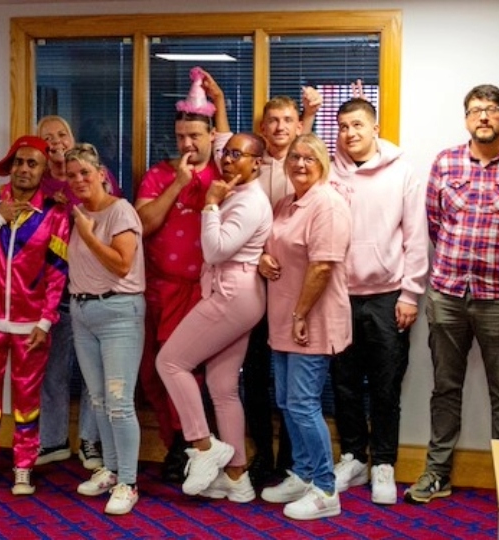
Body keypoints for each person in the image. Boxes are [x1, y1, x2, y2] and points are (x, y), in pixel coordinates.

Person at [406, 84, 499, 504]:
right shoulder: (447, 161)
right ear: (466, 118)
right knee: (444, 388)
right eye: (475, 110)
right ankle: (437, 473)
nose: (484, 117)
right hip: (448, 294)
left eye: (492, 109)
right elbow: (433, 226)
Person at [156, 133, 272, 503]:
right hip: (237, 293)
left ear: (257, 163)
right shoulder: (237, 193)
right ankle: (237, 477)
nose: (228, 159)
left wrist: (209, 205)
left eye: (239, 154)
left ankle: (204, 447)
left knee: (170, 362)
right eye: (226, 152)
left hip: (233, 294)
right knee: (222, 388)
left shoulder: (248, 201)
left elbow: (215, 249)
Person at [0, 135, 69, 496]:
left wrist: (46, 320)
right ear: (10, 164)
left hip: (30, 326)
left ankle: (23, 466)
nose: (24, 169)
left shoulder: (54, 213)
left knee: (26, 401)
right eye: (19, 161)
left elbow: (57, 273)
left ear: (44, 170)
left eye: (32, 163)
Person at [328, 98, 428, 505]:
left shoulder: (402, 171)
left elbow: (415, 236)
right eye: (344, 127)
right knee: (344, 383)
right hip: (337, 296)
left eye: (357, 125)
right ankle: (353, 457)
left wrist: (410, 293)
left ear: (374, 127)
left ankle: (384, 462)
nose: (350, 134)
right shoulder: (329, 172)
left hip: (388, 297)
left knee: (385, 385)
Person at [135, 68, 229, 482]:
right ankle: (175, 441)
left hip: (203, 292)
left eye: (196, 136)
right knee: (152, 373)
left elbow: (230, 146)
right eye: (181, 137)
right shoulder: (160, 174)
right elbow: (142, 224)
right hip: (156, 289)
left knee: (188, 371)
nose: (188, 144)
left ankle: (197, 446)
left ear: (211, 136)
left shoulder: (225, 174)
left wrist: (220, 103)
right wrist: (177, 184)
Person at [258, 133, 351, 520]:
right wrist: (263, 259)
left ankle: (326, 490)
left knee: (303, 403)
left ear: (323, 163)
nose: (299, 163)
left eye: (308, 157)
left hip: (311, 319)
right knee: (286, 402)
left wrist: (299, 315)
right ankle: (303, 473)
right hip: (284, 319)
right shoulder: (284, 204)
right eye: (294, 157)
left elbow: (323, 266)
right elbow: (272, 248)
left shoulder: (328, 204)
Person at [240, 89, 321, 487]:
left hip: (293, 290)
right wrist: (257, 258)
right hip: (254, 287)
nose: (280, 127)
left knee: (293, 383)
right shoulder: (251, 169)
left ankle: (293, 459)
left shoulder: (305, 170)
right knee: (255, 376)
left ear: (298, 125)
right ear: (262, 128)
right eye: (272, 121)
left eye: (288, 120)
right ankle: (262, 455)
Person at [65, 143, 146, 515]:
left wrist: (87, 232)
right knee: (96, 399)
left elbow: (122, 265)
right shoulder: (78, 213)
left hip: (118, 312)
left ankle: (128, 482)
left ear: (101, 174)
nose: (79, 180)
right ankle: (110, 470)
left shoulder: (120, 211)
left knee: (118, 402)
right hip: (83, 312)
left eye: (85, 172)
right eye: (72, 175)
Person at [35, 114, 111, 470]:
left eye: (62, 134)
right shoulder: (36, 182)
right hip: (51, 292)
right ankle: (52, 441)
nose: (56, 142)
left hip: (92, 288)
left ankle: (90, 442)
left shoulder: (96, 176)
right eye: (47, 136)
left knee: (94, 374)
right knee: (52, 373)